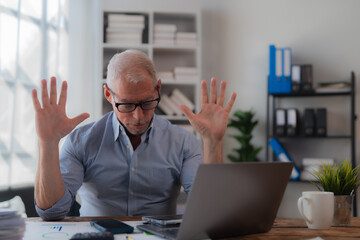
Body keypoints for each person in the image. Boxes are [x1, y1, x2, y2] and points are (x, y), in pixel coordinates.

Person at [32, 49, 236, 220]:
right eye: (127, 105)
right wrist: (47, 143)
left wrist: (212, 142)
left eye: (147, 102)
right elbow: (52, 212)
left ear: (158, 90)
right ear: (108, 95)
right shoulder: (81, 141)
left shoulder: (183, 142)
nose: (138, 116)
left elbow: (211, 211)